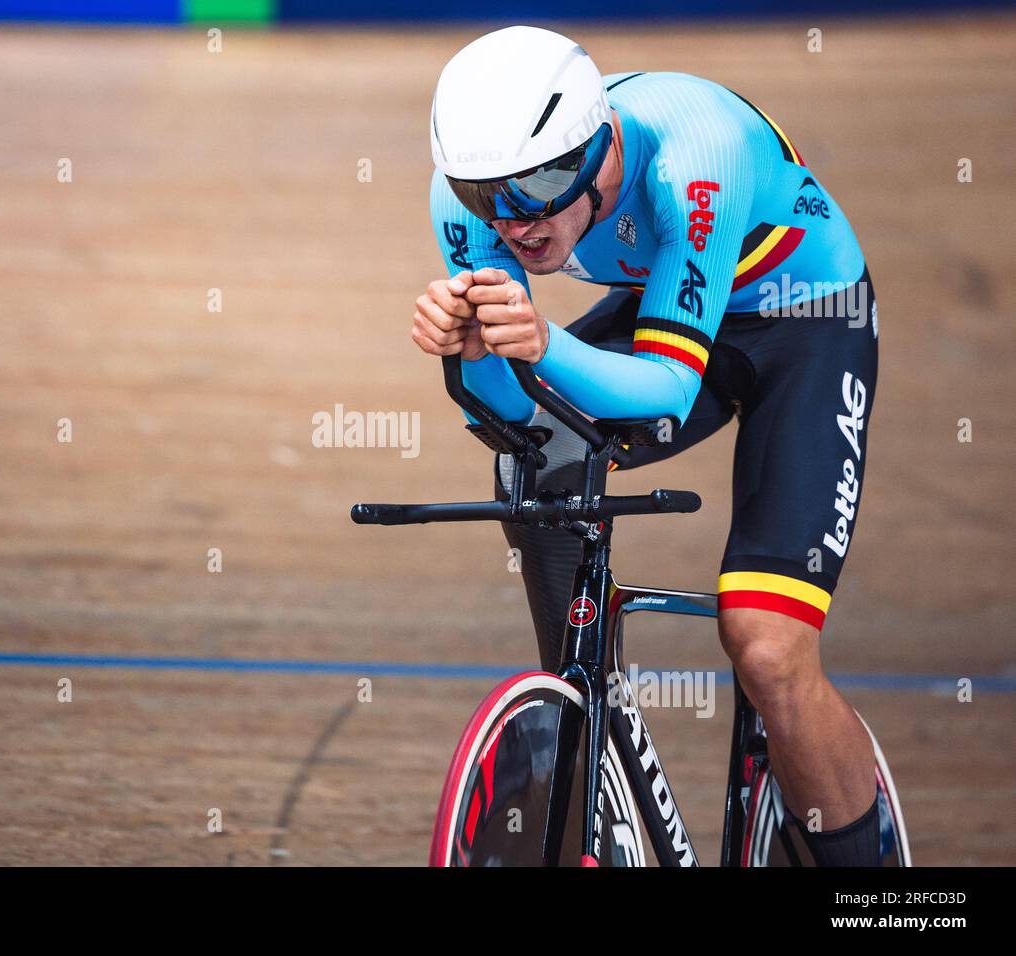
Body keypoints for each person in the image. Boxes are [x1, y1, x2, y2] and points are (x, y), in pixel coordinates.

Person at [412, 25, 881, 866]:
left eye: (543, 184)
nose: (515, 222)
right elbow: (508, 418)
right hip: (668, 299)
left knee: (767, 650)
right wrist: (472, 354)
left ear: (598, 150)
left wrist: (543, 344)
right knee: (536, 460)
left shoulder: (694, 155)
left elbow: (669, 386)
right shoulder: (468, 197)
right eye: (489, 197)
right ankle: (582, 702)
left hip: (807, 323)